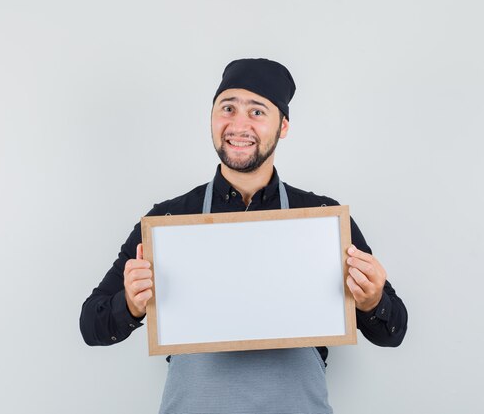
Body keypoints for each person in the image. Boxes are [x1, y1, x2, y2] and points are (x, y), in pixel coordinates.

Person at [80, 58, 408, 414]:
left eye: (257, 112)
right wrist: (129, 303)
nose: (238, 124)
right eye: (228, 108)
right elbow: (91, 325)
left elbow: (393, 332)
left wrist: (373, 299)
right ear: (211, 117)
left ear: (282, 126)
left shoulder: (324, 221)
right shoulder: (168, 220)